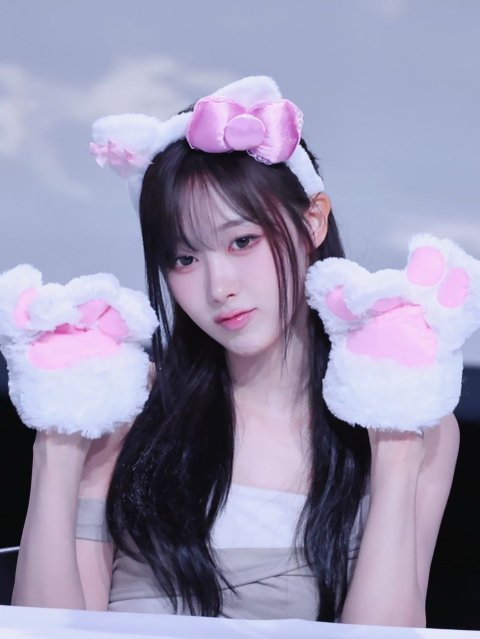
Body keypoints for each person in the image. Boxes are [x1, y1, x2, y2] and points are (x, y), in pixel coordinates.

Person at [7, 76, 463, 626]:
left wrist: (395, 443)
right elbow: (44, 631)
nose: (218, 286)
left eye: (242, 241)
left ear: (313, 221)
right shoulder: (123, 404)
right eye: (184, 259)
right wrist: (57, 441)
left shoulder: (413, 421)